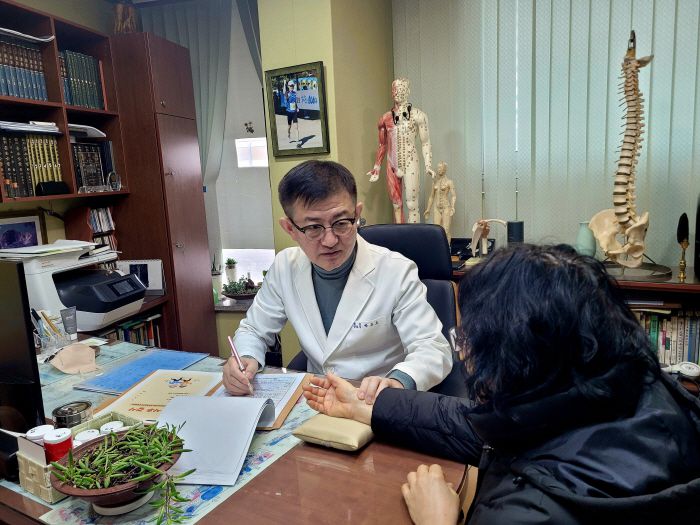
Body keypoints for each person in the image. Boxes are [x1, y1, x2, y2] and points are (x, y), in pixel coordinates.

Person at [304, 244, 700, 524]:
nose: (463, 352)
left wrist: (439, 520)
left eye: (468, 339)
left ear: (515, 359)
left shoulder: (526, 511)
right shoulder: (627, 388)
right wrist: (367, 407)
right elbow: (476, 425)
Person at [223, 160, 452, 402]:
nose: (330, 240)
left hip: (373, 403)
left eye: (341, 223)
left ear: (357, 215)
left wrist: (398, 381)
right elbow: (254, 330)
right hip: (316, 401)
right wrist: (245, 358)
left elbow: (432, 347)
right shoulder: (284, 267)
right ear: (290, 229)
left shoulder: (396, 270)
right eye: (314, 227)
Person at [367, 78, 434, 224]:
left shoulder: (418, 116)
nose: (398, 92)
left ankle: (413, 236)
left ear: (408, 91)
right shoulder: (385, 118)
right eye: (395, 89)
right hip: (392, 164)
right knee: (396, 204)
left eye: (402, 89)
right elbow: (382, 144)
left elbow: (425, 142)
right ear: (392, 92)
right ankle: (400, 235)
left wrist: (428, 164)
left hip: (410, 161)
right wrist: (377, 167)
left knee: (412, 204)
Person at [424, 161, 457, 242]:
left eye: (440, 168)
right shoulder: (435, 182)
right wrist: (428, 209)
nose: (438, 169)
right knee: (436, 229)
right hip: (437, 207)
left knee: (446, 229)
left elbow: (453, 195)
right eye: (438, 168)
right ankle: (439, 247)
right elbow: (431, 196)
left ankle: (447, 247)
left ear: (444, 169)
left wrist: (453, 207)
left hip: (446, 207)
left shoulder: (449, 182)